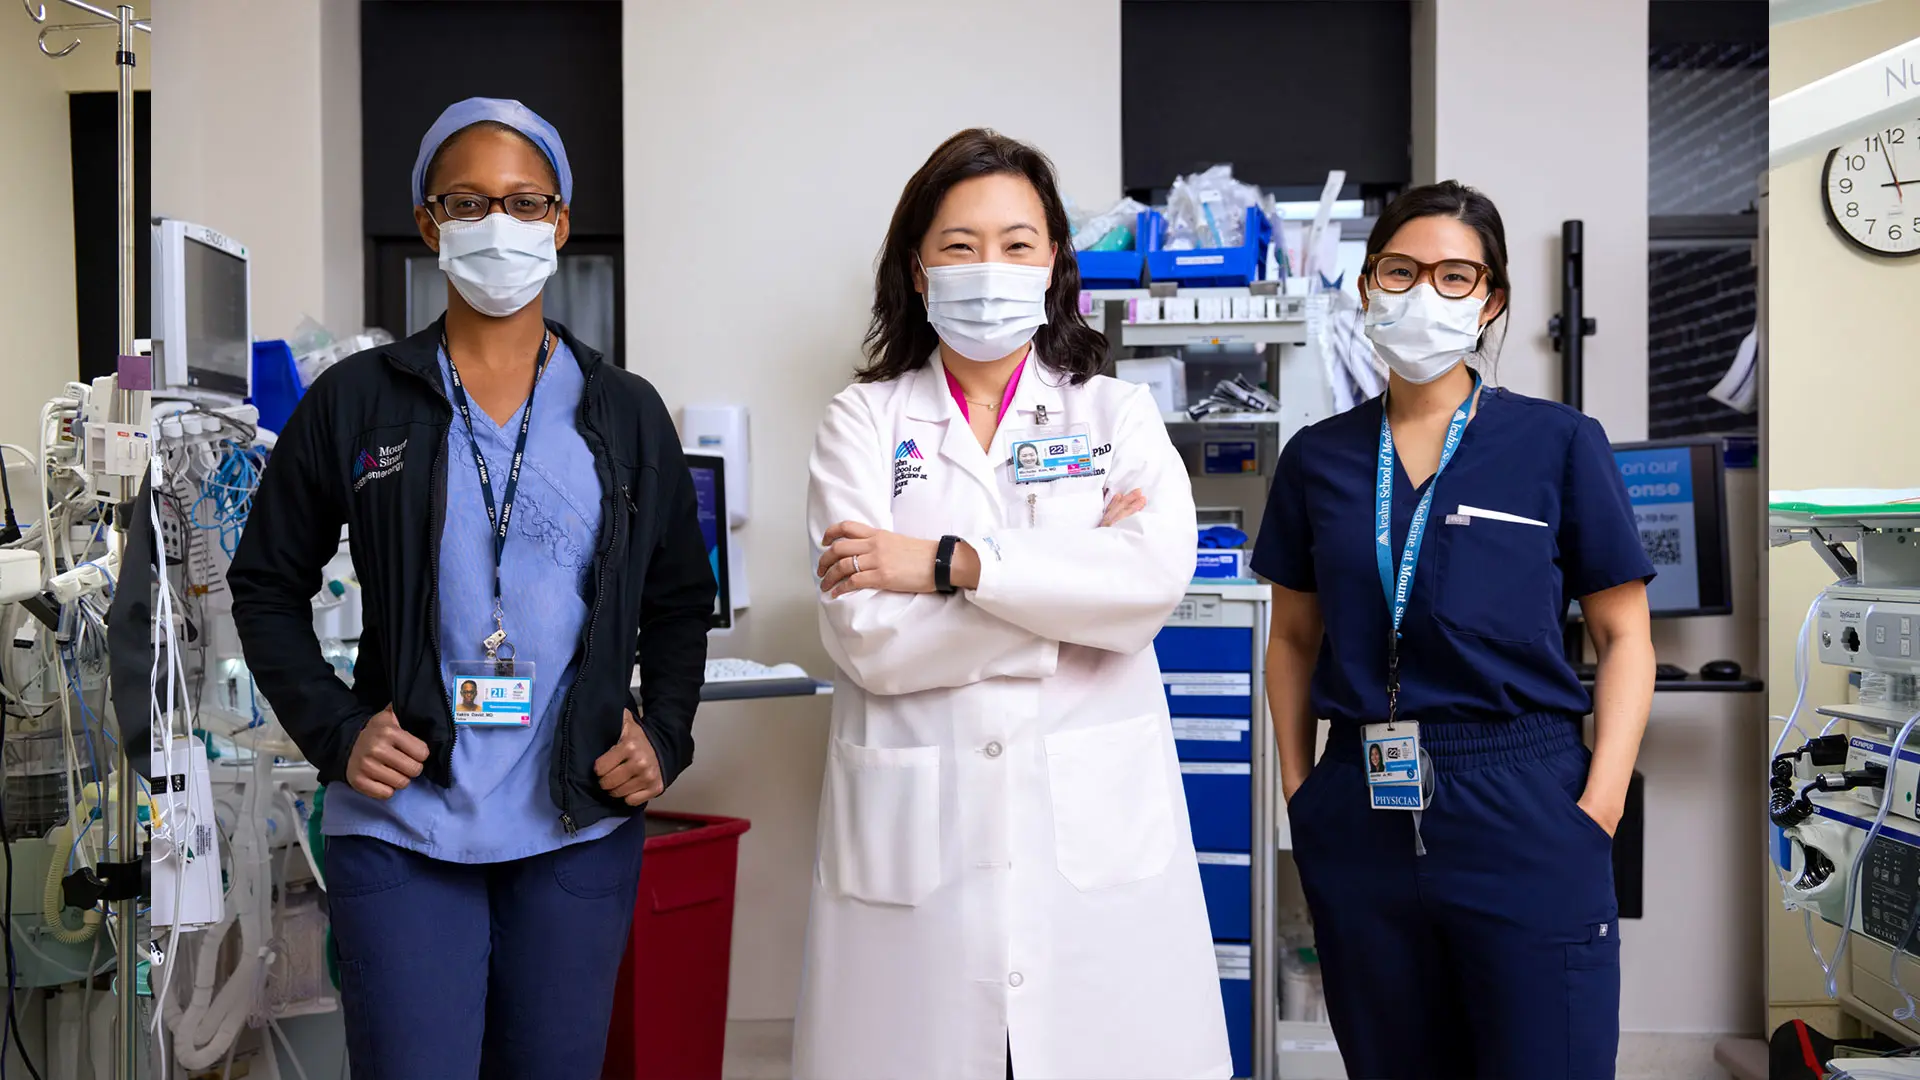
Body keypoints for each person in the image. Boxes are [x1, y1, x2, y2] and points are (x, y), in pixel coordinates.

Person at [228, 98, 714, 1078]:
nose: (501, 224)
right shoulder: (359, 401)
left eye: (526, 202)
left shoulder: (623, 412)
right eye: (470, 201)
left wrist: (663, 733)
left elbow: (676, 599)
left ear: (562, 223)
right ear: (430, 225)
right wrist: (333, 728)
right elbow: (265, 581)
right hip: (406, 825)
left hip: (574, 825)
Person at [795, 128, 1231, 1080]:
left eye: (1017, 243)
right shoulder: (861, 422)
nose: (988, 267)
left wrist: (947, 565)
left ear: (1054, 266)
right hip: (920, 859)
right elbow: (869, 637)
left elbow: (1150, 586)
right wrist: (1068, 601)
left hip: (1092, 850)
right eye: (959, 245)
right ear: (917, 270)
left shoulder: (1115, 413)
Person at [1252, 180, 1656, 1080]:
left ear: (1491, 301)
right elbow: (1291, 639)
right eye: (1401, 270)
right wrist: (1300, 789)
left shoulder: (1558, 444)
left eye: (1454, 275)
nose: (1422, 293)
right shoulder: (1317, 459)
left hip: (1523, 797)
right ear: (1367, 287)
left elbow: (1626, 637)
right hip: (1361, 803)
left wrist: (1601, 806)